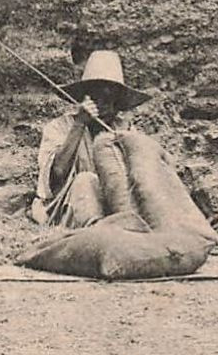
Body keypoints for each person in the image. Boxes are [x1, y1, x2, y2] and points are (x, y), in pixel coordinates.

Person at [33, 50, 151, 228]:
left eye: (110, 99)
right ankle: (97, 230)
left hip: (115, 208)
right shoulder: (59, 127)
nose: (103, 106)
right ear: (85, 97)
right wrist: (80, 124)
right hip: (72, 208)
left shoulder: (125, 130)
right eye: (97, 97)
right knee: (86, 181)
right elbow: (57, 173)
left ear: (118, 103)